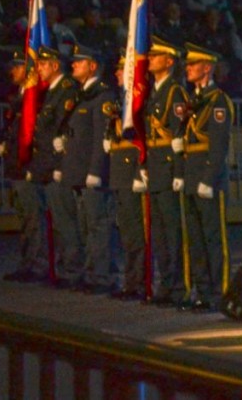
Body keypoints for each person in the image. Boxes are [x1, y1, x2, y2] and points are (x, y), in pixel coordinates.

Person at [180, 42, 234, 313]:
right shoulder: (196, 99)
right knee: (196, 239)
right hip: (191, 176)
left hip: (207, 178)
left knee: (214, 239)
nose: (188, 69)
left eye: (193, 64)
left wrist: (208, 179)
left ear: (207, 68)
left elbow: (219, 144)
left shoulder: (218, 100)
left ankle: (219, 292)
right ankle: (201, 291)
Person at [62, 44, 115, 294]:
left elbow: (99, 137)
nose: (73, 64)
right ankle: (90, 272)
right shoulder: (82, 94)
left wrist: (95, 170)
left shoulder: (102, 96)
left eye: (79, 61)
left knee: (97, 226)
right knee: (85, 226)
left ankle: (100, 276)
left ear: (92, 66)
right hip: (79, 171)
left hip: (92, 173)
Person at [144, 36, 191, 307]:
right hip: (155, 167)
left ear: (169, 61)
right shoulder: (154, 91)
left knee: (173, 233)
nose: (150, 59)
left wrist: (179, 172)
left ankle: (177, 286)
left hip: (168, 168)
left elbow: (179, 137)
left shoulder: (175, 93)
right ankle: (166, 283)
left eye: (156, 56)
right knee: (160, 233)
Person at [27, 45, 80, 288]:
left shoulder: (66, 90)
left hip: (58, 165)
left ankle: (71, 270)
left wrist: (59, 165)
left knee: (65, 221)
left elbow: (63, 130)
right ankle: (60, 268)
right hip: (46, 164)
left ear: (55, 66)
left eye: (42, 64)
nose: (38, 68)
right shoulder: (51, 91)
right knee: (57, 222)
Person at [0, 51, 48, 282]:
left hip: (28, 165)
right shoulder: (19, 95)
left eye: (18, 66)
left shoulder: (34, 96)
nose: (13, 71)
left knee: (33, 218)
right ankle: (28, 263)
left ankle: (37, 265)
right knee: (25, 217)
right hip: (16, 164)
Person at [105, 55, 147, 300]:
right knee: (127, 232)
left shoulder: (136, 100)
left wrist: (139, 171)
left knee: (135, 232)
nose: (117, 74)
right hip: (119, 171)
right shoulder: (121, 99)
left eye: (122, 70)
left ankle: (138, 282)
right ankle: (131, 281)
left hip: (131, 171)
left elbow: (141, 139)